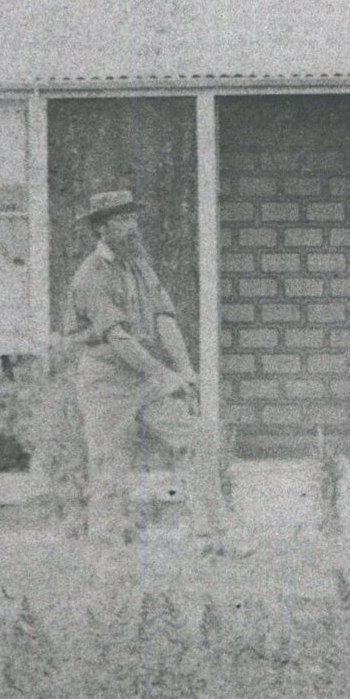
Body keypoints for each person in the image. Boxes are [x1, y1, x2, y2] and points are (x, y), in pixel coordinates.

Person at [66, 189, 209, 523]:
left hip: (145, 378)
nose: (131, 227)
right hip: (106, 383)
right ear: (101, 228)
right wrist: (165, 375)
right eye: (121, 220)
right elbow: (118, 338)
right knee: (109, 471)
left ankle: (212, 537)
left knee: (198, 438)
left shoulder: (140, 267)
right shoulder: (90, 276)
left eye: (133, 218)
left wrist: (185, 369)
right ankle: (107, 558)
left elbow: (164, 318)